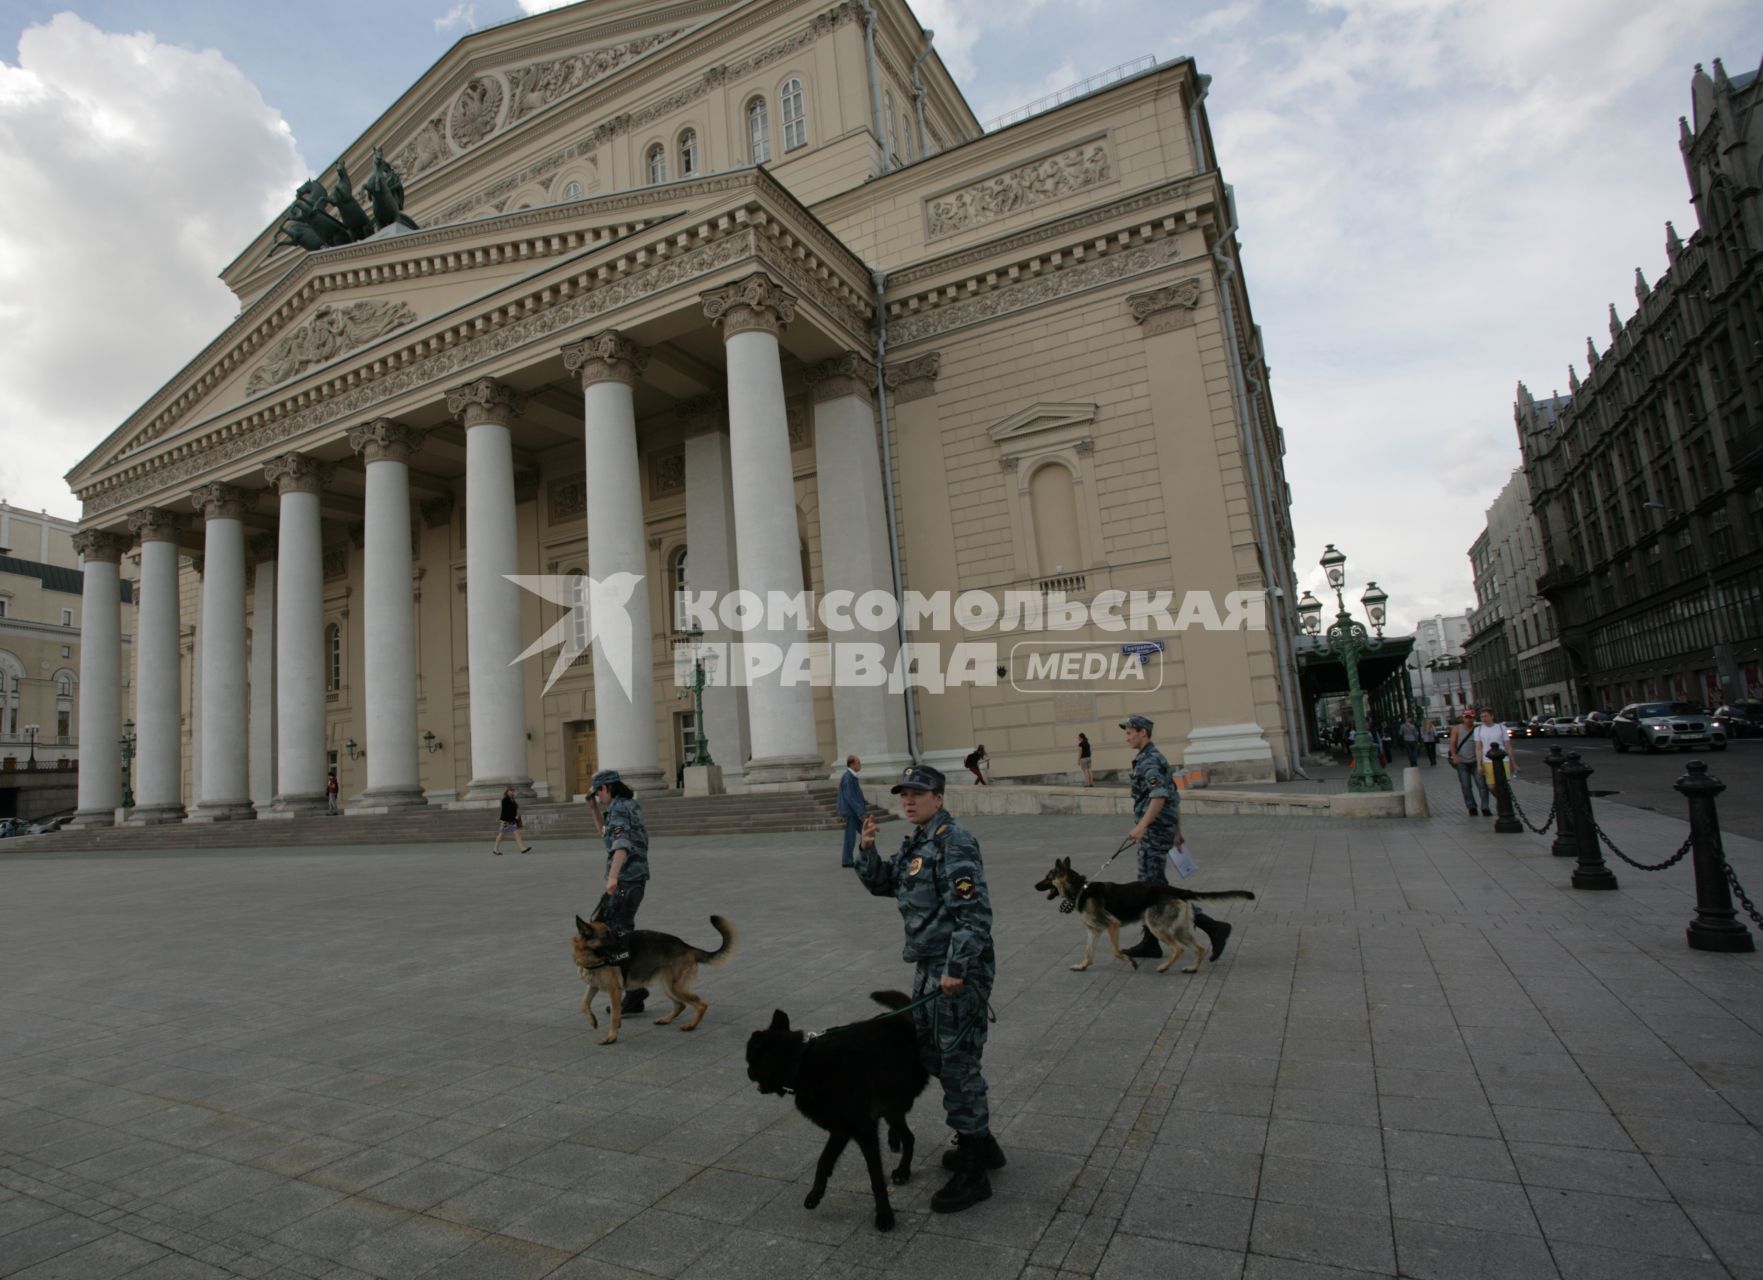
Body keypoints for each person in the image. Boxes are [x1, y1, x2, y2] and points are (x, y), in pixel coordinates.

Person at [854, 764, 1000, 1214]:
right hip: (929, 968)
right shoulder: (918, 841)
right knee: (935, 1055)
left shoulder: (953, 841)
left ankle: (974, 1168)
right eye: (904, 794)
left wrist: (956, 967)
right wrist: (866, 850)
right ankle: (984, 1143)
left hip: (956, 972)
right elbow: (883, 883)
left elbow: (973, 914)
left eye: (918, 793)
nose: (908, 800)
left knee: (956, 1062)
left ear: (939, 797)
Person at [1119, 714, 1232, 961]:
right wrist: (1177, 830)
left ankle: (1213, 927)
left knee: (1154, 890)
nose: (1126, 737)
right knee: (1150, 889)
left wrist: (1142, 827)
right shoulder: (1152, 758)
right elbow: (1174, 796)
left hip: (1153, 832)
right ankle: (1151, 942)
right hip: (1162, 830)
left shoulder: (1150, 760)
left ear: (1143, 733)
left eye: (1129, 733)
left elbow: (1159, 796)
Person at [589, 769, 651, 1013]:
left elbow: (621, 845)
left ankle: (634, 993)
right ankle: (635, 991)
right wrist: (593, 809)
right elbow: (606, 834)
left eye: (599, 793)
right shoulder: (628, 805)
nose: (598, 797)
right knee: (620, 933)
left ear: (607, 788)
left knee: (618, 937)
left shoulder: (619, 809)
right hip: (634, 879)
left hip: (626, 880)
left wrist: (613, 877)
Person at [1448, 709, 1490, 817]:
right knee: (1466, 785)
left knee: (1482, 785)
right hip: (1462, 762)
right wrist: (1454, 755)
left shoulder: (1478, 729)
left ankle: (1485, 807)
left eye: (1470, 717)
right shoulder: (1457, 729)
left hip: (1476, 761)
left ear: (1474, 718)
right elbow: (1452, 743)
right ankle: (1471, 807)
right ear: (1463, 718)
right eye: (1466, 717)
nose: (1468, 719)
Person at [1472, 708, 1515, 801]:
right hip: (1487, 760)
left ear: (1492, 716)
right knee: (1491, 785)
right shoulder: (1478, 730)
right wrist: (1479, 764)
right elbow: (1478, 748)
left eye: (1486, 716)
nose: (1484, 718)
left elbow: (1508, 746)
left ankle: (1503, 803)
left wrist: (1513, 762)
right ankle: (1501, 800)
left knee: (1504, 782)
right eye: (1482, 717)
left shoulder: (1501, 728)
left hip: (1503, 759)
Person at [836, 754, 866, 868]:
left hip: (853, 811)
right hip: (851, 812)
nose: (860, 765)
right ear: (852, 764)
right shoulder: (849, 778)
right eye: (858, 763)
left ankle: (866, 857)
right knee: (850, 837)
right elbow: (850, 797)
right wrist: (860, 812)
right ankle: (847, 860)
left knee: (865, 833)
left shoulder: (851, 776)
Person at [493, 784, 532, 856]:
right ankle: (495, 849)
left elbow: (513, 809)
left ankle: (522, 848)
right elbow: (505, 811)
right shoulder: (505, 800)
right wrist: (514, 816)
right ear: (507, 791)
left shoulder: (512, 799)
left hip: (511, 820)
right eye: (511, 790)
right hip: (506, 820)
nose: (512, 792)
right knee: (501, 834)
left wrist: (515, 816)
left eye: (513, 791)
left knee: (515, 833)